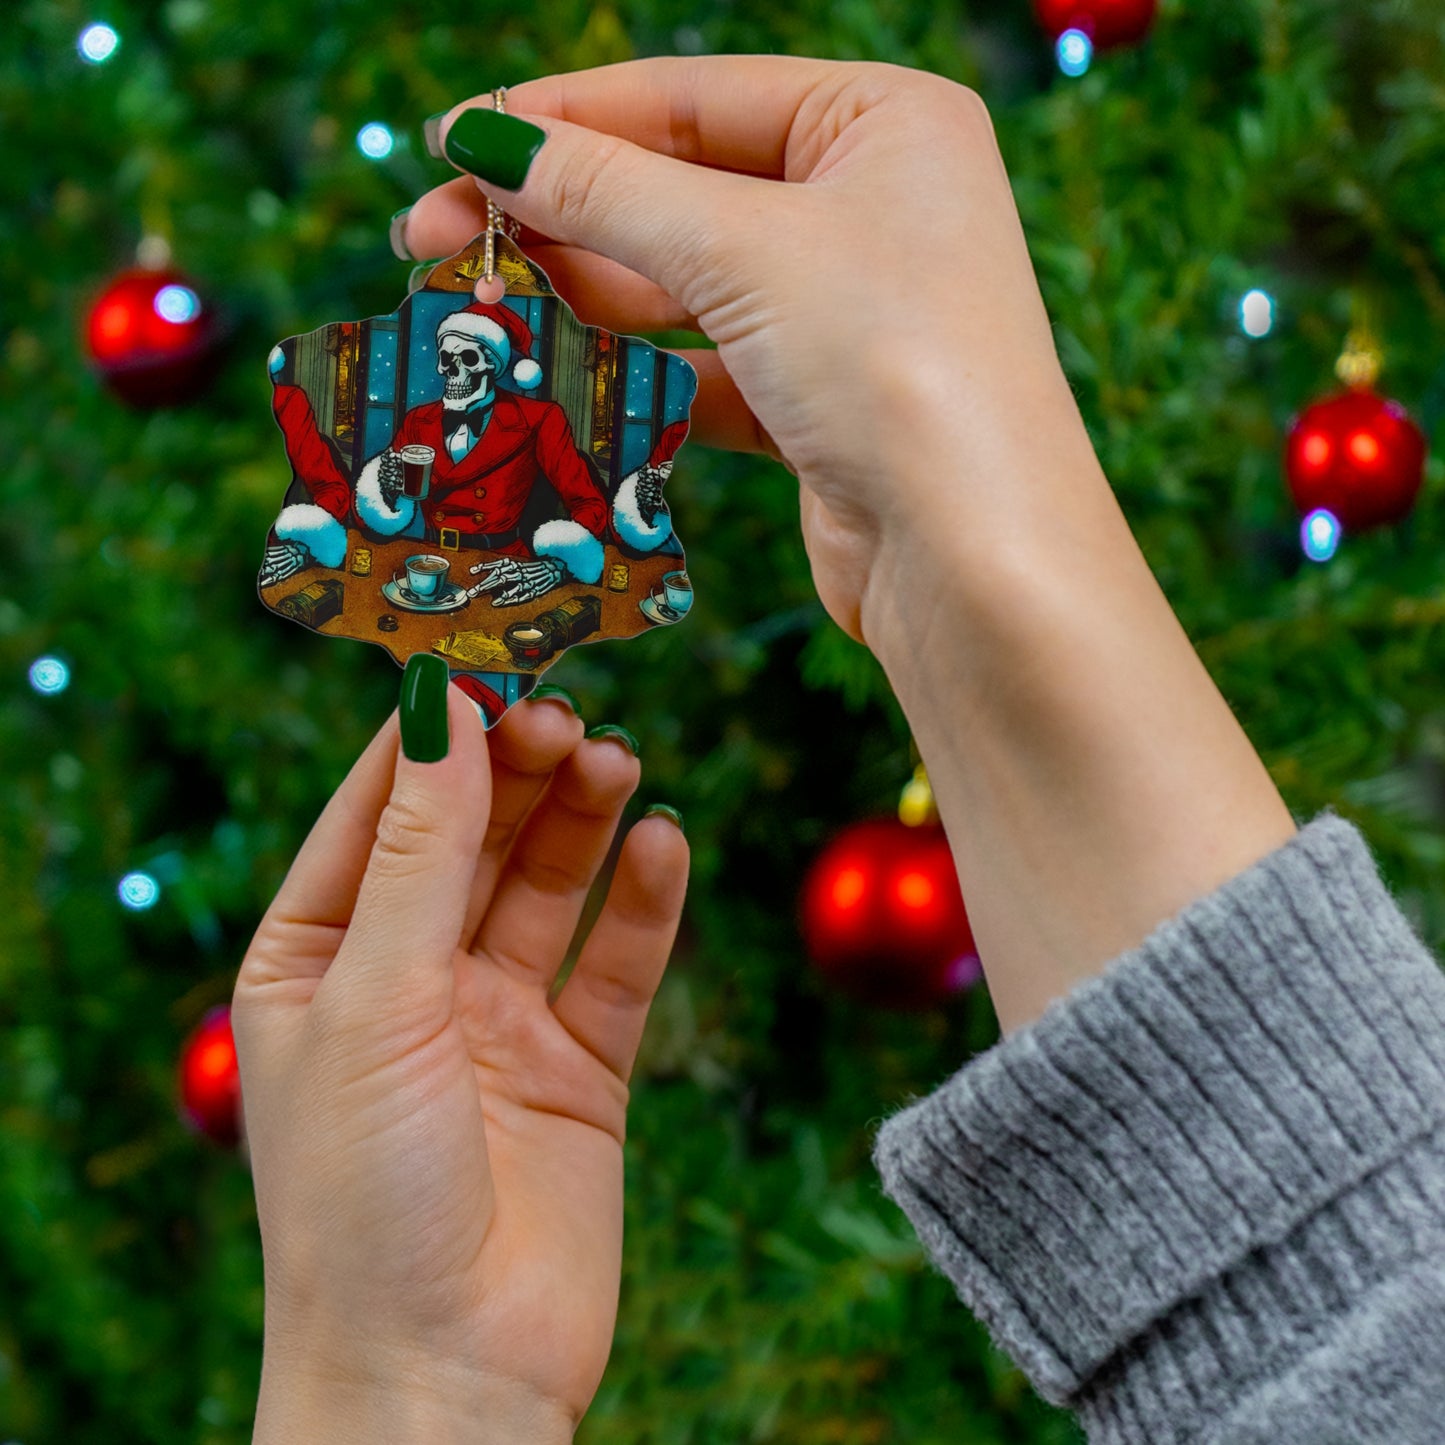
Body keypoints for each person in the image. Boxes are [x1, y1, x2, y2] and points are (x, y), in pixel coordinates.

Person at [231, 56, 1445, 1444]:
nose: (457, 371)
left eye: (466, 362)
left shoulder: (545, 410)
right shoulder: (401, 404)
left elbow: (581, 498)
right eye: (445, 364)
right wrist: (413, 1387)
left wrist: (395, 1390)